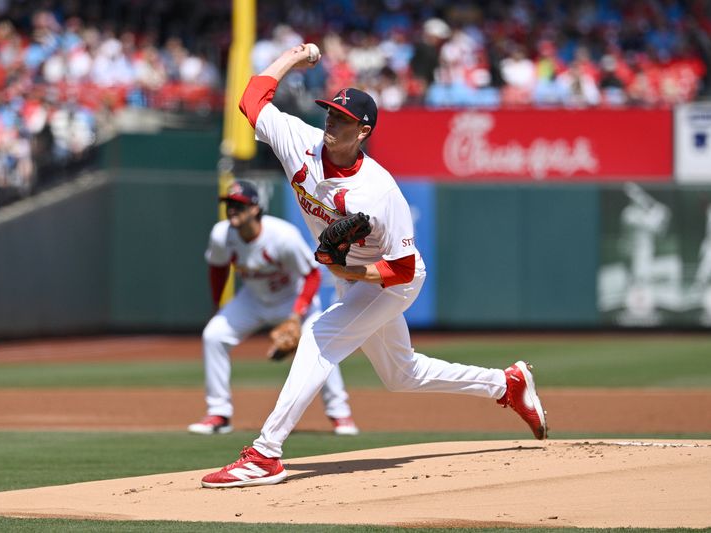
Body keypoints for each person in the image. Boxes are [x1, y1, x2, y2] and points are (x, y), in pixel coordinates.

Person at [200, 44, 547, 489]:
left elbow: (402, 269)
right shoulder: (299, 142)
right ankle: (507, 384)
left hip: (390, 281)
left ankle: (265, 453)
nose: (331, 121)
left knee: (319, 336)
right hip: (355, 279)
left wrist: (349, 273)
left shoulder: (380, 191)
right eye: (329, 112)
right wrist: (294, 56)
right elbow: (252, 98)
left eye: (342, 119)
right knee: (404, 375)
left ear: (362, 131)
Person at [187, 180, 359, 437]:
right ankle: (219, 414)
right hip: (253, 299)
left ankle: (340, 414)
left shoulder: (282, 236)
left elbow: (311, 275)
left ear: (255, 208)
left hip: (292, 299)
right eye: (229, 205)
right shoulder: (222, 234)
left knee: (320, 346)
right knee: (214, 335)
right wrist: (217, 306)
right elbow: (218, 269)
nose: (232, 210)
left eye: (239, 205)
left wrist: (296, 315)